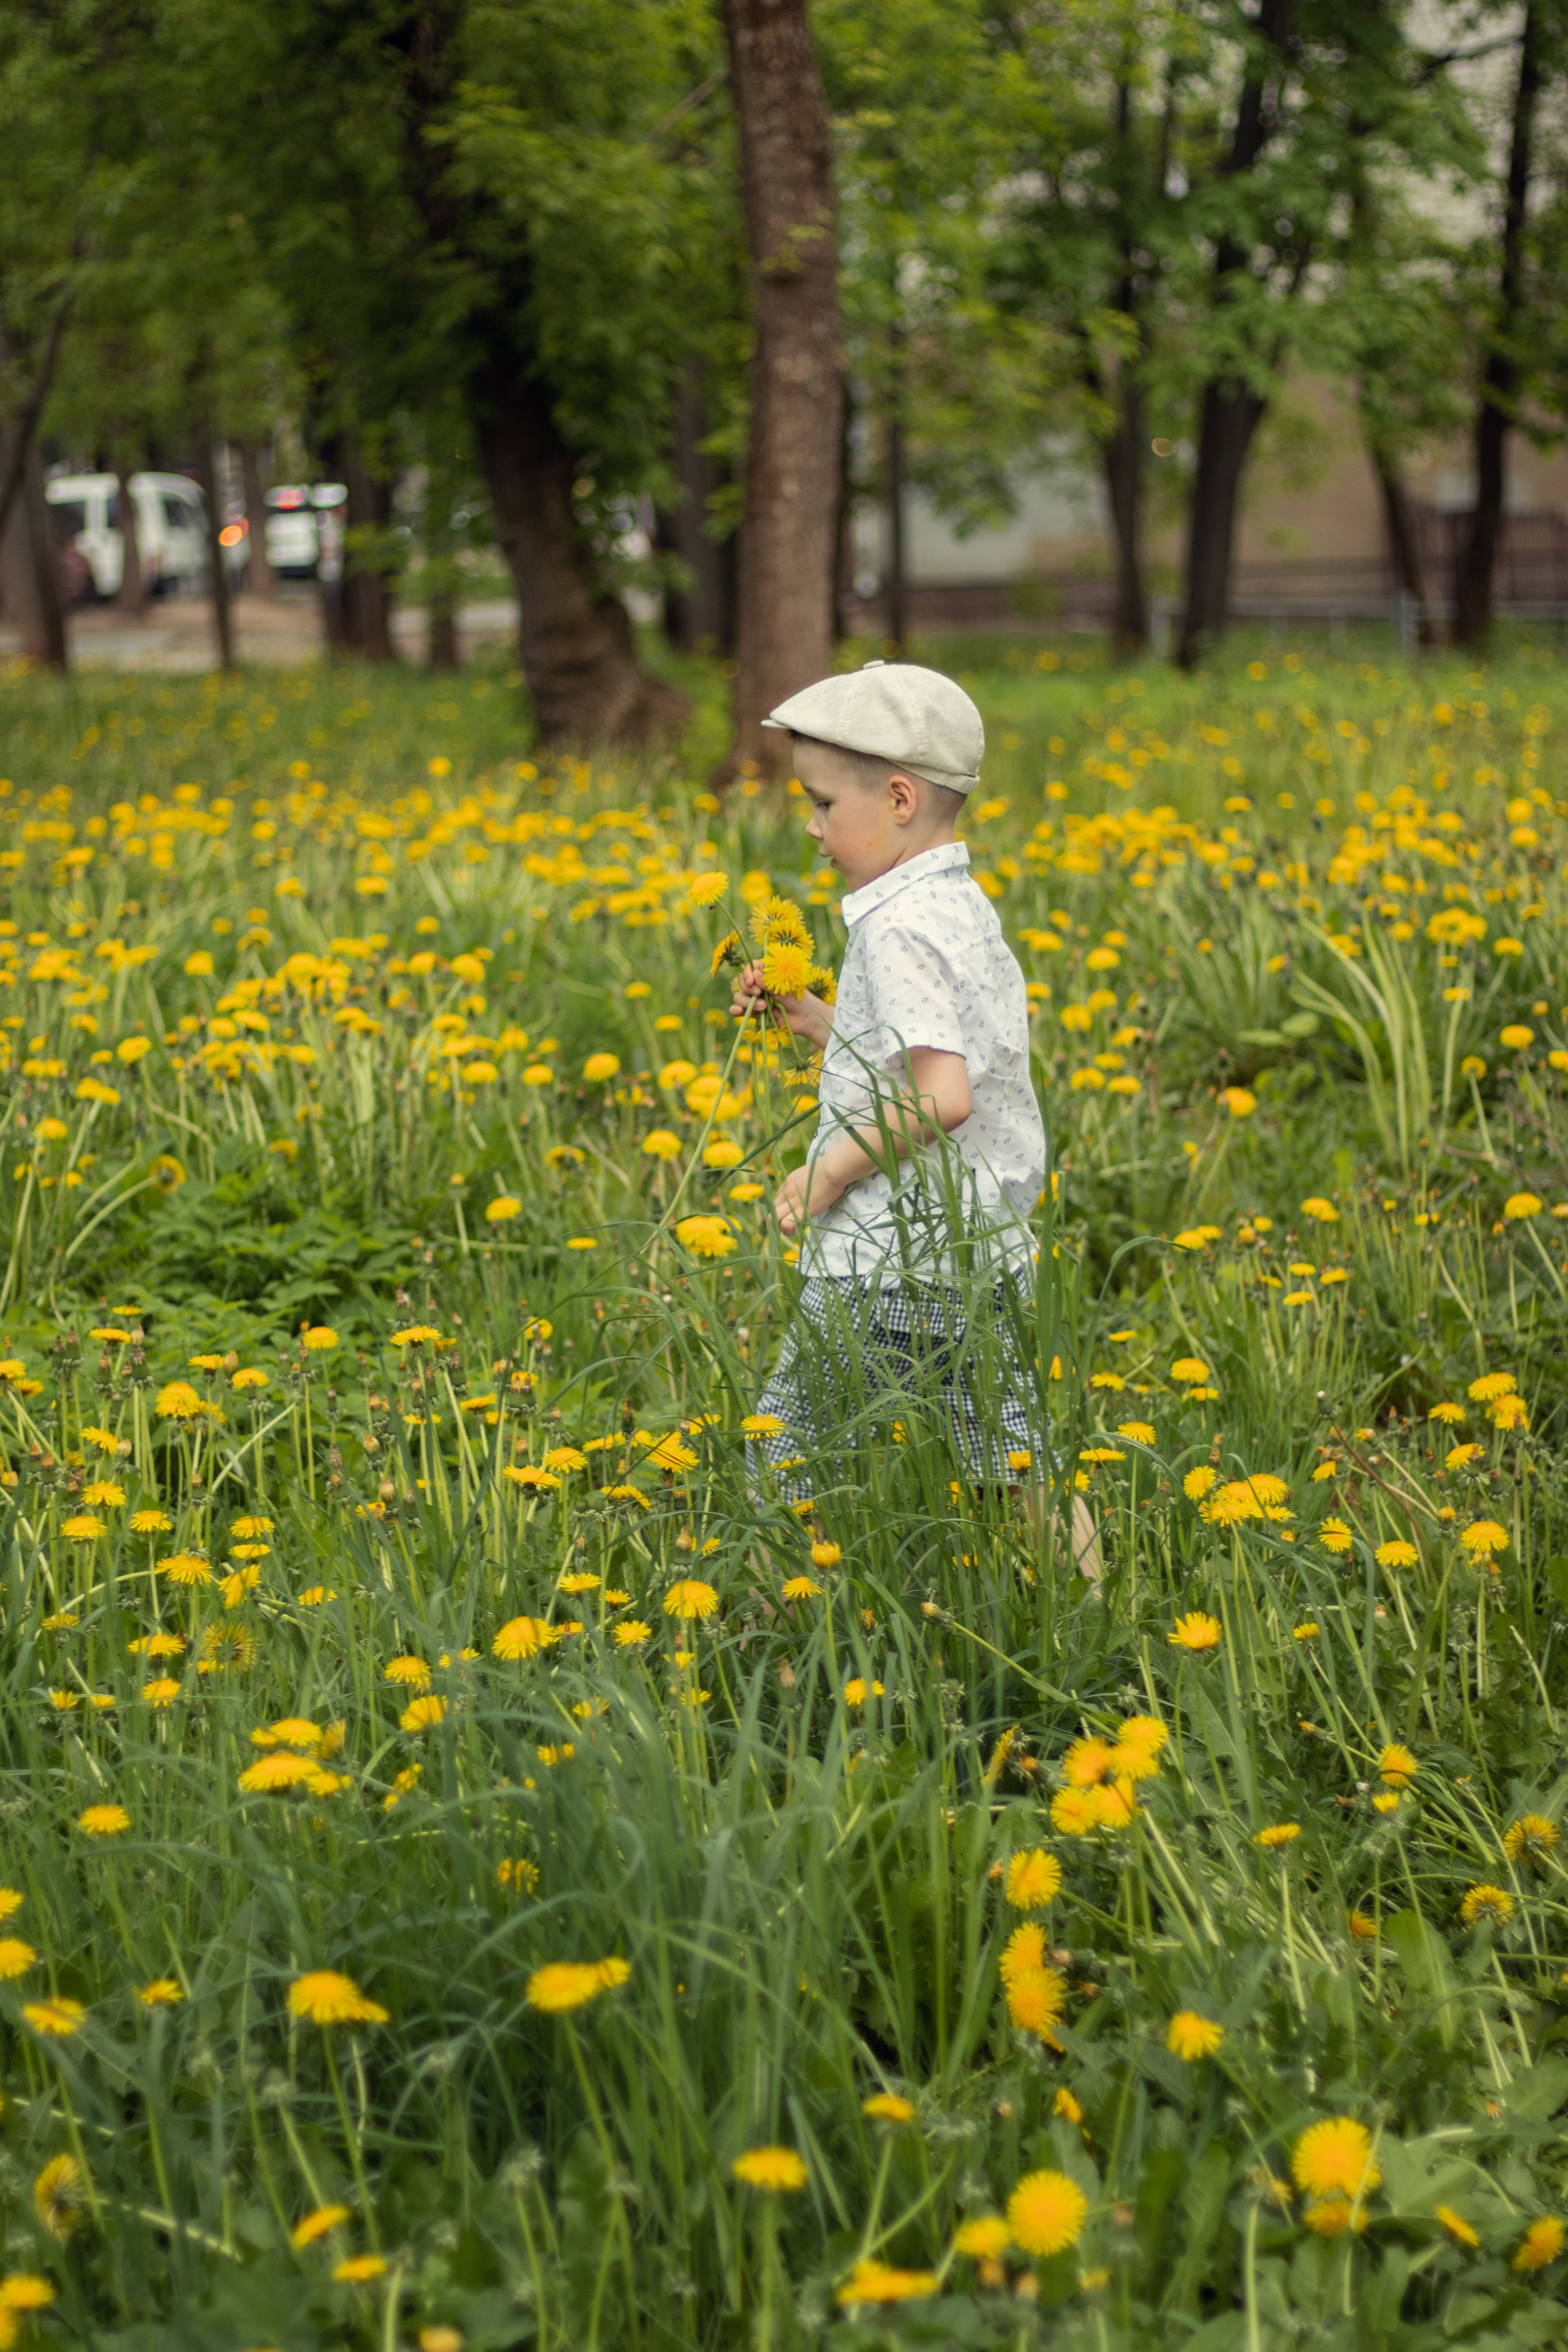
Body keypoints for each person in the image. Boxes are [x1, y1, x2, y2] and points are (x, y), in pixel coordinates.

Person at [731, 659, 1099, 1578]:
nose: (812, 828)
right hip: (975, 1252)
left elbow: (940, 1097)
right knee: (1013, 1464)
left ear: (898, 798)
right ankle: (1096, 1618)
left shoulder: (895, 929)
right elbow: (926, 1058)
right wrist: (820, 1021)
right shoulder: (955, 905)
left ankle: (782, 1651)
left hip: (888, 1258)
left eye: (820, 804)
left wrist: (827, 1170)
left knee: (785, 1464)